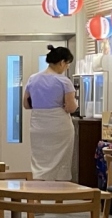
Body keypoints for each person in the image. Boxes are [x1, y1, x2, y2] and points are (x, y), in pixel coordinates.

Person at [24, 45, 78, 180]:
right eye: (68, 64)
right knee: (61, 161)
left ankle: (38, 187)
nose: (67, 67)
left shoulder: (33, 79)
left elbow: (26, 104)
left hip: (38, 126)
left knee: (39, 160)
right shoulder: (64, 81)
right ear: (62, 62)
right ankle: (59, 190)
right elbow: (71, 108)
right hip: (59, 126)